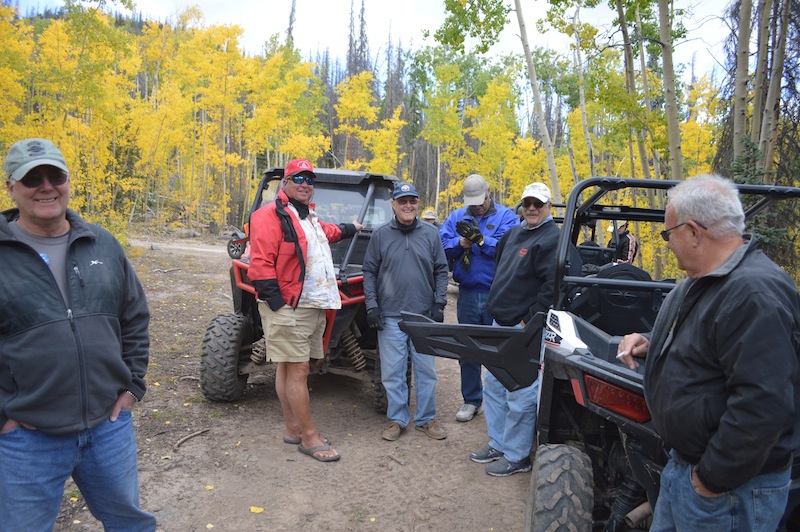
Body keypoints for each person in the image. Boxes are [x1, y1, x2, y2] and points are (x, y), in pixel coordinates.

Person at [616, 174, 800, 531]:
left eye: (668, 234)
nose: (668, 244)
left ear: (695, 232)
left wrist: (710, 480)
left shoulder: (753, 293)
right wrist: (651, 340)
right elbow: (711, 338)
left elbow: (763, 406)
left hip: (727, 491)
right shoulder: (710, 280)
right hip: (687, 471)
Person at [0, 138, 156, 529]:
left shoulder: (102, 242)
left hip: (108, 427)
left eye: (55, 175)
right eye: (33, 178)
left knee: (131, 524)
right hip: (26, 439)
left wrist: (133, 384)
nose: (46, 186)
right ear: (11, 187)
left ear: (68, 180)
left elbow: (134, 317)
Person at [248, 158, 362, 463]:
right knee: (298, 369)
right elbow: (260, 265)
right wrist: (279, 306)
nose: (305, 184)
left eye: (310, 180)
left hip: (312, 303)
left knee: (287, 367)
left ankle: (293, 428)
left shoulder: (309, 217)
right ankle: (309, 437)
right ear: (285, 182)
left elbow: (330, 232)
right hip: (289, 305)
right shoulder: (268, 215)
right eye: (298, 178)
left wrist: (354, 227)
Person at [469, 182, 560, 477]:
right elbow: (500, 268)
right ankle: (499, 443)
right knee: (494, 385)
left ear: (549, 207)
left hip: (525, 330)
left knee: (521, 392)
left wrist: (530, 320)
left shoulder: (552, 239)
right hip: (500, 324)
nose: (532, 208)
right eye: (527, 203)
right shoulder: (513, 233)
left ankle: (518, 455)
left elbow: (553, 287)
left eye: (538, 203)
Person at [363, 182, 449, 442]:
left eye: (412, 201)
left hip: (423, 315)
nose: (408, 206)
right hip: (389, 315)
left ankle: (425, 419)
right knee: (393, 372)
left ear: (418, 204)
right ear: (394, 205)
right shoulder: (380, 235)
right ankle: (397, 419)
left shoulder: (431, 233)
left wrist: (439, 303)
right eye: (403, 201)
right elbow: (369, 272)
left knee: (426, 371)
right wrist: (372, 306)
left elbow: (441, 270)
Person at [440, 174, 518, 422]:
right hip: (468, 294)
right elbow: (441, 246)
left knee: (500, 350)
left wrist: (482, 241)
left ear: (489, 192)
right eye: (472, 201)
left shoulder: (507, 217)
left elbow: (512, 248)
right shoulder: (456, 217)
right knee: (469, 349)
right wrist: (460, 242)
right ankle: (472, 400)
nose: (476, 206)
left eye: (480, 200)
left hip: (499, 294)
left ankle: (502, 401)